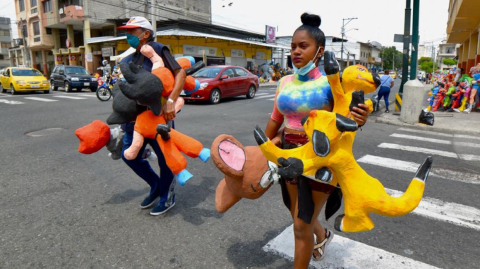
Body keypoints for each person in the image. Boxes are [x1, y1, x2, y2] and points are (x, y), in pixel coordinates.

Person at [264, 13, 369, 267]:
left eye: (303, 46)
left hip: (321, 159)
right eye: (292, 47)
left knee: (300, 225)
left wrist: (360, 118)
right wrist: (262, 148)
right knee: (296, 212)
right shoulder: (285, 82)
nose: (296, 52)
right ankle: (322, 235)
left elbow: (347, 118)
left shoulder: (330, 85)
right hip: (289, 155)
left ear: (319, 50)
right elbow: (276, 120)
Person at [117, 16, 186, 215]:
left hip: (159, 118)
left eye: (132, 31)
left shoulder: (158, 49)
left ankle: (167, 195)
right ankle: (155, 185)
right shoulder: (129, 59)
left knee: (166, 160)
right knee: (129, 156)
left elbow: (180, 74)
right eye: (126, 31)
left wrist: (172, 101)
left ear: (146, 34)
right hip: (134, 121)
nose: (128, 35)